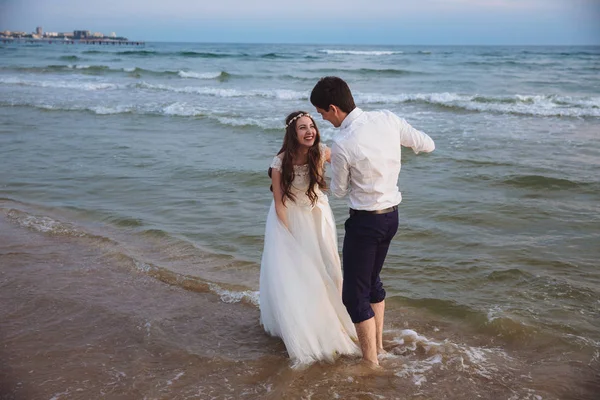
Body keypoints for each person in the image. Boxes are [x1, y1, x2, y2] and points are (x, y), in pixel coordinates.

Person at [310, 77, 435, 366]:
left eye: (322, 114)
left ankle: (371, 365)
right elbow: (427, 144)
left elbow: (340, 192)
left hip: (365, 224)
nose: (324, 120)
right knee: (372, 282)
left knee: (354, 297)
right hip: (392, 217)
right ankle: (378, 348)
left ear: (333, 108)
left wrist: (329, 159)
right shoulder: (387, 119)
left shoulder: (342, 142)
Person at [259, 110, 360, 367]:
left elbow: (351, 160)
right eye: (303, 127)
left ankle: (338, 319)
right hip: (291, 219)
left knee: (331, 268)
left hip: (318, 215)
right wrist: (289, 235)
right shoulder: (280, 162)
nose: (309, 131)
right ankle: (307, 325)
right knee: (303, 273)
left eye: (312, 126)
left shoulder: (322, 151)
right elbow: (280, 203)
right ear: (293, 133)